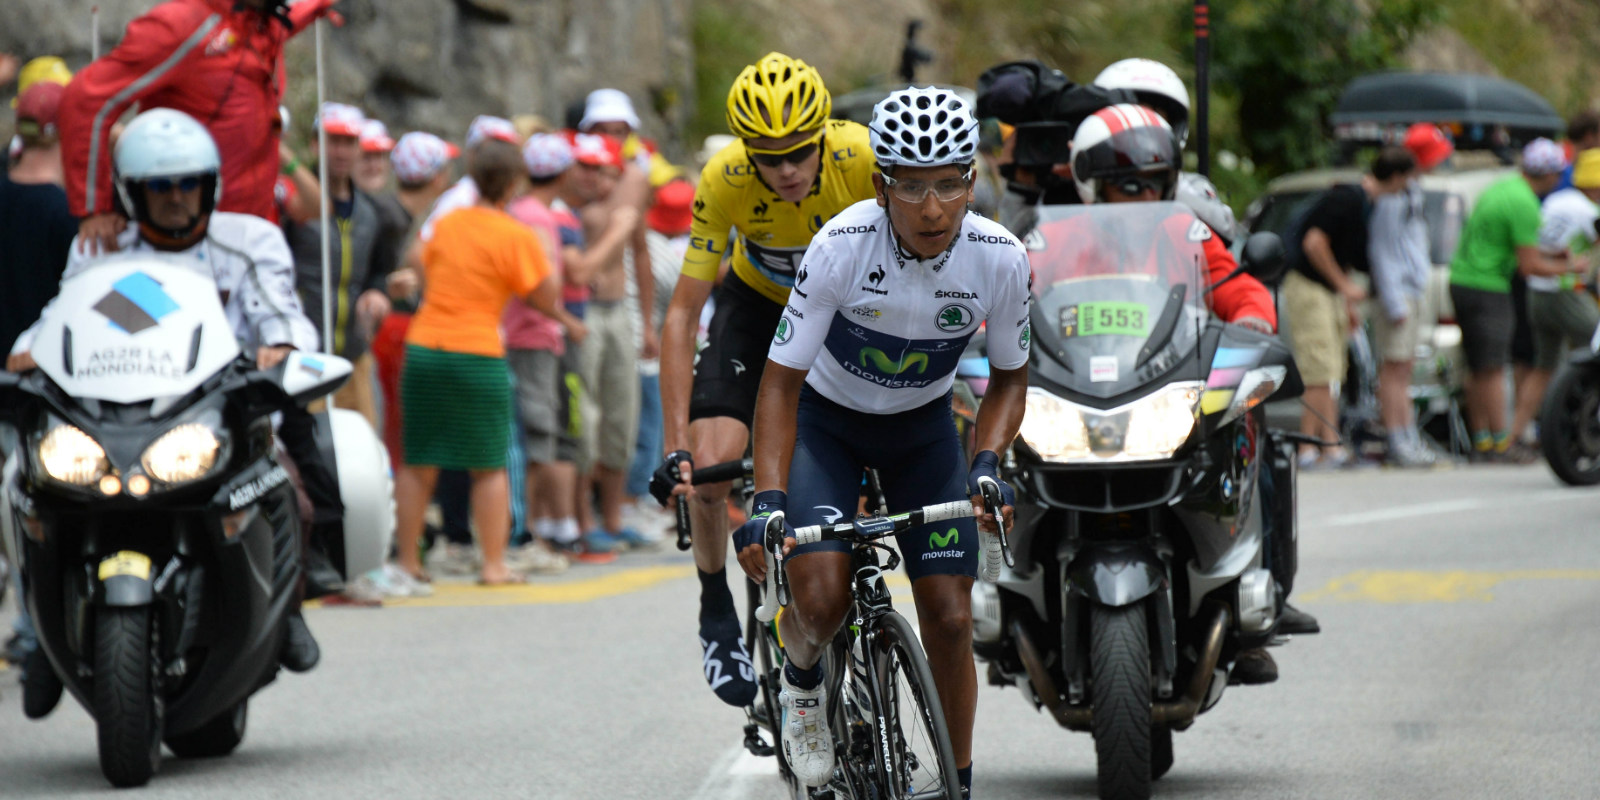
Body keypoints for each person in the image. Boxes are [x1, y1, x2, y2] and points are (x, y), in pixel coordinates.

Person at [728, 88, 1027, 796]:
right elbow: (778, 385)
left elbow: (1012, 380)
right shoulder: (839, 246)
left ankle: (957, 782)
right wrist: (770, 500)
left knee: (953, 618)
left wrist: (986, 463)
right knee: (823, 602)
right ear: (879, 184)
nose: (932, 207)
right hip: (827, 428)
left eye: (950, 183)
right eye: (913, 186)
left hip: (922, 432)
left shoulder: (1000, 258)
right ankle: (801, 678)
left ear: (972, 182)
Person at [7, 108, 323, 673]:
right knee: (27, 486)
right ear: (132, 193)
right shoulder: (102, 247)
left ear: (211, 186)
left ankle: (288, 613)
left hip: (219, 414)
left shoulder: (249, 240)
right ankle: (41, 633)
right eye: (159, 187)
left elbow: (282, 310)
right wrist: (28, 345)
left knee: (285, 492)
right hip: (110, 416)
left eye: (188, 184)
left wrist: (283, 346)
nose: (176, 197)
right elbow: (62, 312)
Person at [650, 52, 878, 708]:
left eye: (797, 152)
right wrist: (675, 448)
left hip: (845, 312)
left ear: (823, 136)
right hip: (756, 310)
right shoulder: (724, 177)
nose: (784, 169)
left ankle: (863, 623)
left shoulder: (860, 158)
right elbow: (683, 314)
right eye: (766, 155)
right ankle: (715, 606)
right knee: (712, 459)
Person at [393, 137, 564, 586]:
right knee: (488, 463)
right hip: (478, 350)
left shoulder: (448, 223)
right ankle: (493, 564)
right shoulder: (514, 234)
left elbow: (416, 258)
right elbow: (544, 294)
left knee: (419, 460)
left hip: (426, 344)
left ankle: (409, 561)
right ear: (513, 184)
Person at [58, 0, 342, 253]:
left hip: (247, 241)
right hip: (182, 239)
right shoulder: (184, 24)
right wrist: (94, 210)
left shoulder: (266, 20)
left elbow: (296, 12)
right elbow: (85, 99)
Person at [1449, 139, 1583, 462]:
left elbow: (1510, 243)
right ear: (1550, 174)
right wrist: (1570, 266)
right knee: (1494, 368)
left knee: (1478, 367)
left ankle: (1481, 442)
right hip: (1488, 285)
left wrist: (1550, 252)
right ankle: (1503, 444)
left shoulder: (1503, 188)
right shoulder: (1525, 203)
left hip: (1462, 279)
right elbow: (1530, 266)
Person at [1283, 149, 1415, 468]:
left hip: (1326, 293)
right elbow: (1314, 243)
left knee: (1332, 370)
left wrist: (1343, 301)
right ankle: (1311, 449)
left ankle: (1329, 446)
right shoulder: (1348, 199)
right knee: (1318, 370)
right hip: (1309, 287)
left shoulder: (1365, 204)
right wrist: (1343, 285)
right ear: (1396, 177)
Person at [503, 133, 594, 575]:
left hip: (520, 335)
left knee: (533, 433)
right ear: (562, 174)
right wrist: (567, 319)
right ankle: (531, 531)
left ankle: (534, 527)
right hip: (533, 338)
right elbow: (539, 285)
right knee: (539, 434)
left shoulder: (516, 211)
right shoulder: (540, 220)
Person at [282, 103, 395, 430]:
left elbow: (378, 270)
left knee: (366, 451)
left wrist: (378, 292)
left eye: (349, 142)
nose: (342, 151)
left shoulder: (371, 213)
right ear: (316, 145)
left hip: (354, 356)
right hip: (306, 357)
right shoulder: (294, 203)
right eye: (333, 141)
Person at [1370, 128, 1453, 468]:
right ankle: (1397, 438)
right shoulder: (1391, 200)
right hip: (1399, 293)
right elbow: (1383, 251)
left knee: (1404, 367)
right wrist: (1393, 300)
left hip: (1412, 290)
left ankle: (1408, 434)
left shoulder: (1410, 193)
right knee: (1394, 369)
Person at [1524, 150, 1600, 426]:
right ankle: (1575, 420)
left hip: (1537, 291)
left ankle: (1516, 433)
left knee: (1544, 367)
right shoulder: (1589, 210)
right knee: (1593, 350)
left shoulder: (1556, 200)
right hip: (1565, 291)